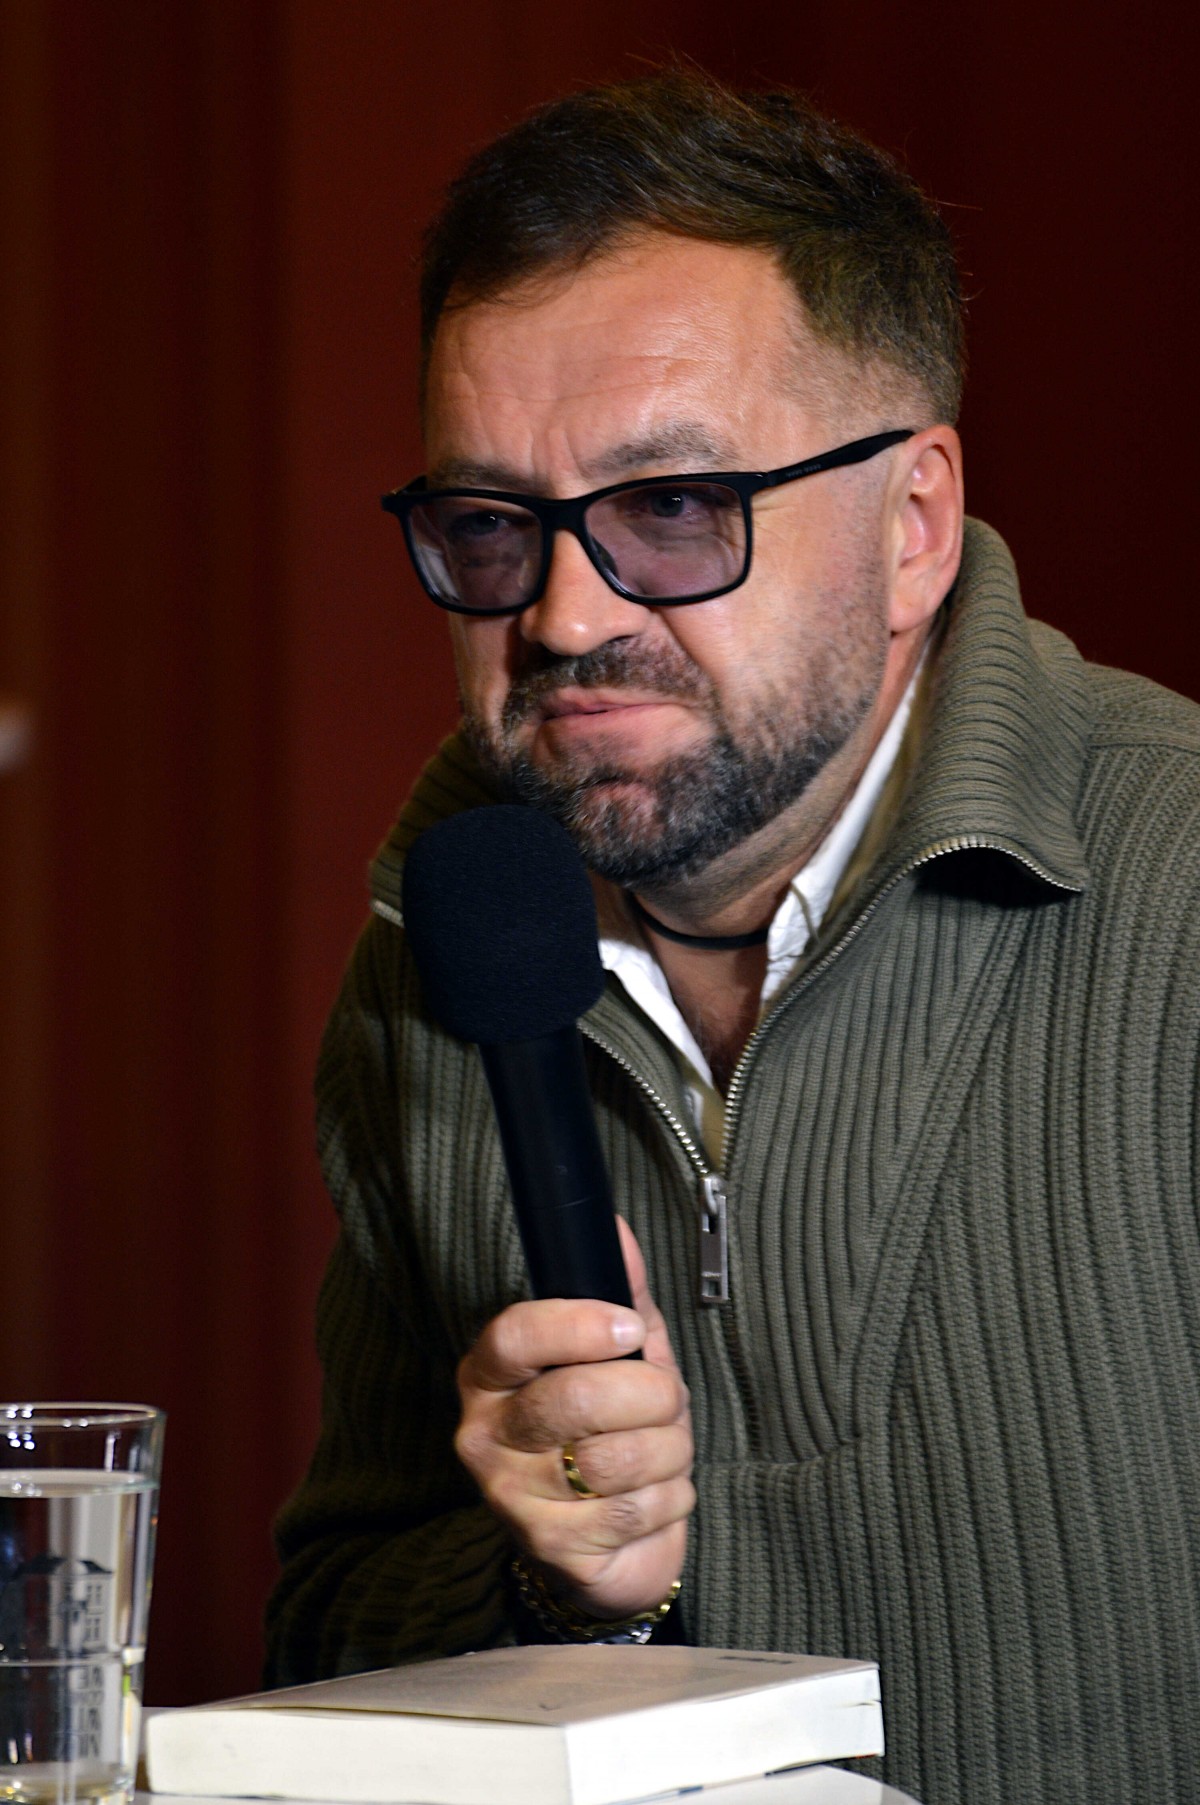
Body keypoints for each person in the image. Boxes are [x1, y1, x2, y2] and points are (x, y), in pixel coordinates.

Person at [265, 72, 1200, 1805]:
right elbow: (322, 1660)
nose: (564, 614)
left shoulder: (1184, 892)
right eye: (491, 524)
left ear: (914, 525)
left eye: (676, 508)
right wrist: (554, 1587)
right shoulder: (430, 957)